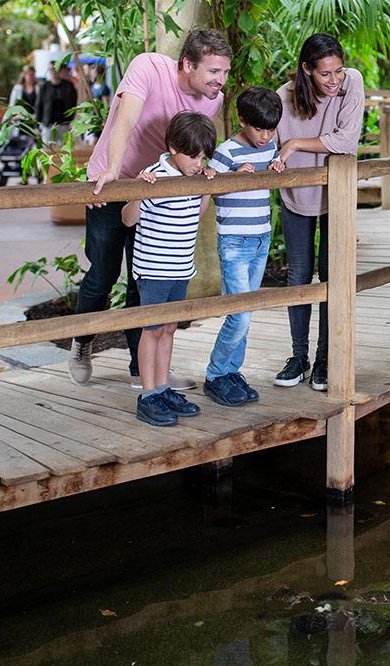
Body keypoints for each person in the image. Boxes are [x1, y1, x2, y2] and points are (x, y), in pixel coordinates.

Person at [70, 28, 231, 390]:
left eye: (224, 73)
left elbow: (195, 144)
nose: (220, 81)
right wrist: (112, 172)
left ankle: (140, 368)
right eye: (213, 72)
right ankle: (81, 341)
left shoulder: (212, 100)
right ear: (188, 64)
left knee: (144, 282)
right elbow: (125, 120)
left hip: (158, 192)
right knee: (103, 274)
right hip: (114, 184)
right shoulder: (149, 67)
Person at [273, 33, 365, 391]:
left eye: (337, 71)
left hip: (336, 194)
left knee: (330, 275)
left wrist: (295, 143)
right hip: (296, 195)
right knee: (298, 275)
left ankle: (326, 357)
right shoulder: (284, 97)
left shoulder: (350, 83)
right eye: (325, 74)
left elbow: (345, 140)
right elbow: (266, 142)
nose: (334, 81)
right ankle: (299, 356)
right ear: (307, 70)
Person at [120, 112, 217, 426]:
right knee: (152, 330)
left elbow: (199, 214)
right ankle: (148, 395)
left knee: (170, 328)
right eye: (193, 155)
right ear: (174, 148)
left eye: (204, 157)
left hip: (180, 268)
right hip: (154, 269)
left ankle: (162, 388)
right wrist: (140, 190)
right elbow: (127, 219)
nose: (198, 162)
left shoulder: (194, 177)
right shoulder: (155, 175)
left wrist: (206, 187)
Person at [202, 86, 285, 406]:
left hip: (261, 237)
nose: (265, 136)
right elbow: (214, 191)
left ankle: (231, 371)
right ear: (242, 121)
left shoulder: (270, 147)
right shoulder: (227, 152)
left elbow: (275, 163)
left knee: (246, 310)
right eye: (258, 128)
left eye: (270, 129)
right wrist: (233, 175)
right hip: (234, 240)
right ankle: (215, 374)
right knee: (240, 313)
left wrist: (278, 164)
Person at [37, 61, 79, 145]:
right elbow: (39, 105)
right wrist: (37, 125)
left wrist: (73, 120)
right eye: (50, 69)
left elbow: (74, 104)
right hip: (48, 125)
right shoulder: (44, 87)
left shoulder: (68, 85)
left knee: (66, 149)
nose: (53, 72)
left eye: (54, 69)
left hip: (64, 124)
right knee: (47, 150)